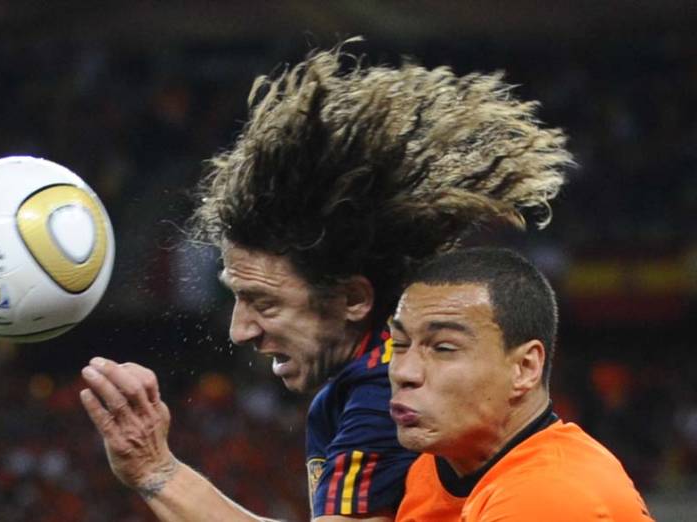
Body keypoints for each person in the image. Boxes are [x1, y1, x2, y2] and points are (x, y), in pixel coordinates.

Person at [80, 41, 572, 521]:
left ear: (352, 298)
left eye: (264, 303)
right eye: (237, 297)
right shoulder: (368, 381)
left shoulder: (389, 390)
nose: (240, 330)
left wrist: (159, 473)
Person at [389, 247, 653, 521]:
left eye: (443, 348)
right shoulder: (432, 467)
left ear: (525, 368)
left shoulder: (552, 495)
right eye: (399, 344)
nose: (404, 372)